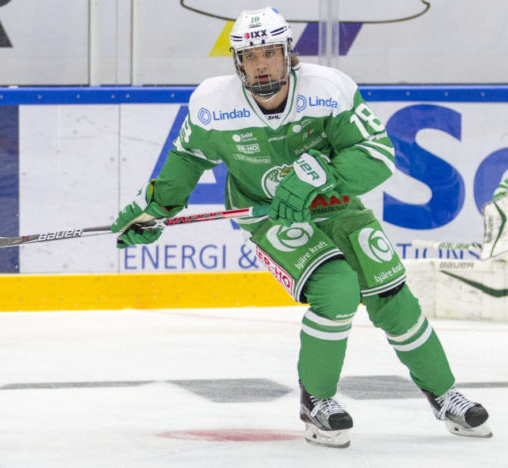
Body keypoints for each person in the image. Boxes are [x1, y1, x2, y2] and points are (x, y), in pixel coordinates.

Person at [111, 7, 492, 447]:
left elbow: (378, 154)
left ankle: (445, 395)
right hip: (269, 216)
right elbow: (186, 161)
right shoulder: (213, 106)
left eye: (270, 53)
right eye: (251, 57)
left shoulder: (329, 90)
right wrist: (153, 209)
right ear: (238, 62)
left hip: (338, 207)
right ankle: (319, 402)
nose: (261, 65)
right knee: (337, 289)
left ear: (287, 53)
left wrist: (321, 173)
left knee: (392, 295)